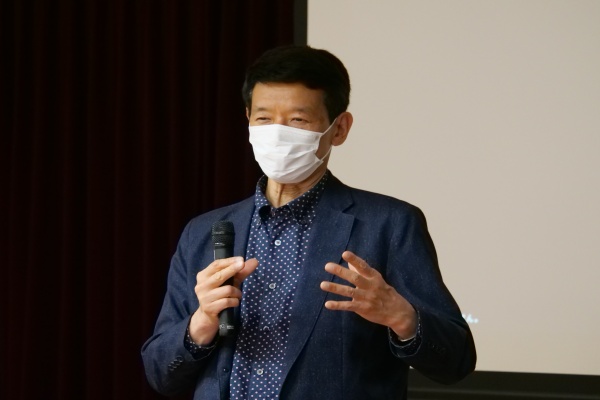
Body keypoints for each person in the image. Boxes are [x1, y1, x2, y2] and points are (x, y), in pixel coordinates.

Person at [141, 45, 476, 400]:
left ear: (339, 128)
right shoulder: (204, 231)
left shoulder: (389, 224)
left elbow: (456, 361)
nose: (277, 133)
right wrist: (202, 323)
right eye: (264, 119)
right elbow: (160, 374)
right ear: (248, 120)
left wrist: (402, 317)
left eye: (298, 121)